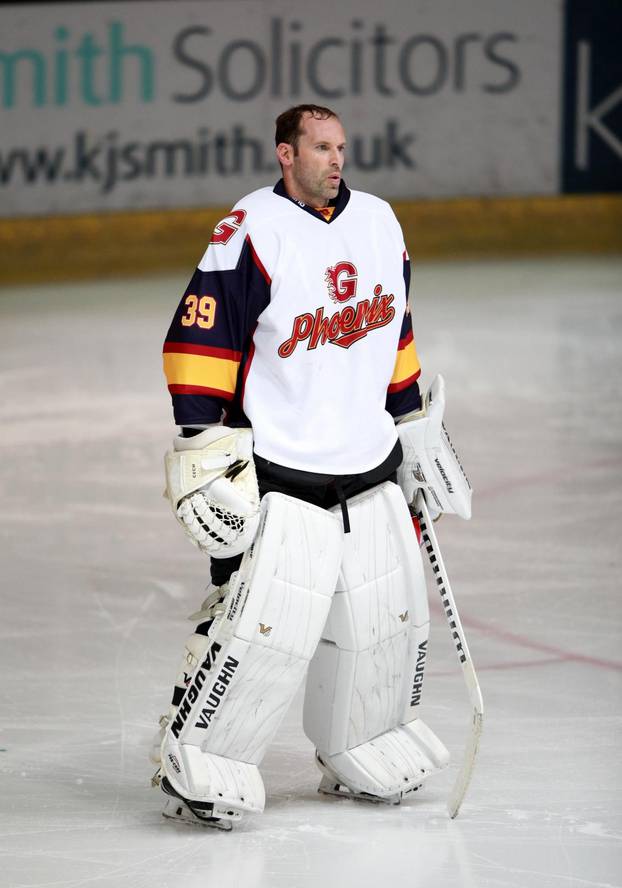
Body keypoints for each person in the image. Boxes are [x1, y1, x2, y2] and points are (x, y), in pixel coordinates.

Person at [154, 104, 471, 829]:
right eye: (321, 147)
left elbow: (397, 331)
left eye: (342, 147)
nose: (336, 159)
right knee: (268, 628)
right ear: (285, 155)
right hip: (282, 466)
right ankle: (207, 753)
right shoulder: (252, 228)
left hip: (369, 461)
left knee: (384, 618)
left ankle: (364, 738)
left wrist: (413, 427)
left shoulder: (382, 223)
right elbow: (198, 340)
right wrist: (203, 444)